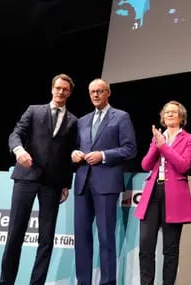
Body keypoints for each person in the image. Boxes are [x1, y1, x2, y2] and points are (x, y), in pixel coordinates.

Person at [0, 73, 78, 285]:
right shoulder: (34, 110)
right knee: (15, 232)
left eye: (65, 89)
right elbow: (16, 133)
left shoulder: (73, 121)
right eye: (58, 88)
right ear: (52, 89)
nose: (61, 92)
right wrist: (18, 150)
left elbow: (69, 154)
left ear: (69, 93)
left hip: (52, 183)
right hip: (26, 177)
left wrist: (65, 184)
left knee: (46, 238)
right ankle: (6, 282)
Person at [71, 78, 137, 285]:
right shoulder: (81, 121)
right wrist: (73, 153)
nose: (96, 95)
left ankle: (108, 282)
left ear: (108, 93)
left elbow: (130, 149)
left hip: (106, 183)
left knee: (106, 237)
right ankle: (84, 282)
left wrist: (103, 155)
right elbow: (73, 147)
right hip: (82, 183)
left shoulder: (121, 117)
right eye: (92, 92)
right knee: (81, 237)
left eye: (100, 91)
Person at [134, 100, 191, 285]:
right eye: (166, 112)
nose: (170, 114)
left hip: (174, 197)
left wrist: (164, 147)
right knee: (146, 247)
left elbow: (184, 165)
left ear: (181, 117)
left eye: (174, 112)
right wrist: (157, 144)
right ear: (162, 117)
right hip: (152, 194)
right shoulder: (157, 138)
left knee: (170, 249)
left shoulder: (189, 139)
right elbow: (145, 164)